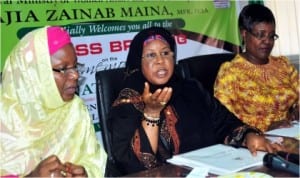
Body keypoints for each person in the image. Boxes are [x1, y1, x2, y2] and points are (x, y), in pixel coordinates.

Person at [108, 26, 283, 175]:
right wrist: (151, 114)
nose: (160, 61)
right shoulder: (127, 102)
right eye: (151, 55)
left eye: (165, 53)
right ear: (138, 61)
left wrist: (249, 136)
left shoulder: (191, 89)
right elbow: (135, 166)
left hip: (216, 171)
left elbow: (224, 122)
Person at [0, 26, 107, 177]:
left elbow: (94, 161)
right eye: (63, 69)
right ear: (33, 72)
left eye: (75, 66)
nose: (75, 75)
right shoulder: (4, 115)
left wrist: (85, 173)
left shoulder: (75, 108)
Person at [214, 4, 299, 132]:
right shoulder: (230, 73)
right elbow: (224, 121)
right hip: (255, 142)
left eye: (271, 36)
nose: (267, 41)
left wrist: (296, 111)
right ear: (244, 33)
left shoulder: (284, 65)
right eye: (260, 35)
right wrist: (266, 128)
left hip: (292, 133)